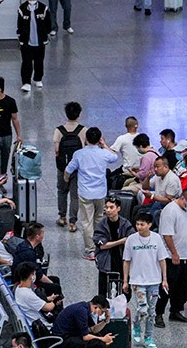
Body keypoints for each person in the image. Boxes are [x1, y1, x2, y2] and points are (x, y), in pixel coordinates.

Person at [66, 127, 118, 261]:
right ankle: (100, 245)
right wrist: (104, 145)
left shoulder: (79, 154)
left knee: (87, 222)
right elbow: (115, 157)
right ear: (99, 139)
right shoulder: (103, 153)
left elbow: (68, 169)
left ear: (85, 138)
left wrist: (66, 179)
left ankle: (90, 250)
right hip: (100, 192)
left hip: (85, 193)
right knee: (99, 219)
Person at [155, 187, 187, 328]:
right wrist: (174, 253)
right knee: (167, 287)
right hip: (171, 257)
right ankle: (158, 314)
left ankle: (175, 311)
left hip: (185, 256)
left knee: (181, 287)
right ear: (182, 198)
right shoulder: (170, 211)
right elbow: (167, 235)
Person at [54, 102, 87, 230]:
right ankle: (73, 222)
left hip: (62, 167)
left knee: (62, 191)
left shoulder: (58, 131)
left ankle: (62, 217)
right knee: (75, 195)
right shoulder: (83, 130)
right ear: (79, 114)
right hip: (78, 168)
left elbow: (56, 150)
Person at [93, 197, 133, 297]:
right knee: (102, 293)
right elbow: (102, 246)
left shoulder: (125, 224)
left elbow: (132, 239)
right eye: (106, 207)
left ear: (118, 208)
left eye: (111, 207)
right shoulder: (102, 224)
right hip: (106, 261)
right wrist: (121, 241)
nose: (108, 210)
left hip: (121, 261)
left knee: (126, 293)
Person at [16, 0, 53, 92]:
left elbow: (48, 23)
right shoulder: (22, 8)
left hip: (40, 41)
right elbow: (20, 25)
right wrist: (20, 37)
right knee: (26, 62)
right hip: (26, 42)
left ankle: (38, 79)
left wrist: (46, 33)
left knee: (39, 61)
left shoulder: (43, 8)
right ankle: (26, 82)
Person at [0, 77, 22, 177]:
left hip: (6, 135)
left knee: (5, 158)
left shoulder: (10, 101)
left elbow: (15, 119)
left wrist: (19, 135)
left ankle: (2, 177)